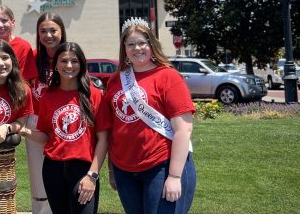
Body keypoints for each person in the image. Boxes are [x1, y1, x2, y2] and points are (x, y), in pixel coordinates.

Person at [96, 17, 196, 214]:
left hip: (162, 166)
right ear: (124, 48)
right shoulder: (117, 80)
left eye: (142, 42)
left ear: (152, 44)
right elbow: (112, 129)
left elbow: (183, 129)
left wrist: (175, 176)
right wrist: (111, 169)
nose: (137, 48)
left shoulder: (168, 77)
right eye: (131, 44)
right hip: (124, 170)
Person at [20, 42, 103, 214]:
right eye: (64, 61)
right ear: (56, 65)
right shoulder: (47, 98)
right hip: (53, 170)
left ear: (82, 64)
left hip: (83, 169)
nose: (69, 66)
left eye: (75, 61)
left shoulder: (93, 95)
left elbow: (104, 139)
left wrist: (92, 175)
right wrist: (23, 131)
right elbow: (47, 137)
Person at [27, 12, 67, 214]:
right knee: (38, 176)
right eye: (43, 31)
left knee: (63, 173)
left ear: (62, 32)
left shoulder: (69, 56)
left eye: (53, 30)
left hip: (64, 121)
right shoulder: (32, 57)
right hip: (35, 122)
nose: (48, 35)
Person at [0, 40, 33, 144]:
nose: (0, 63)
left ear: (12, 60)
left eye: (5, 58)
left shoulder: (24, 90)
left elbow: (20, 123)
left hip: (6, 152)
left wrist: (6, 128)